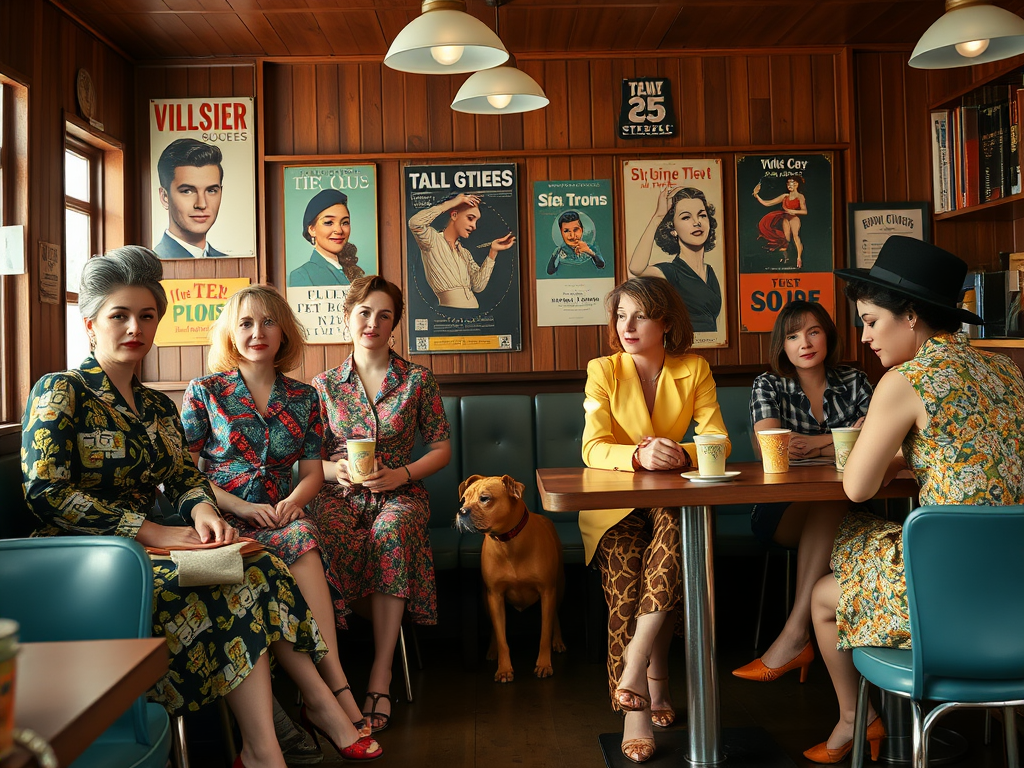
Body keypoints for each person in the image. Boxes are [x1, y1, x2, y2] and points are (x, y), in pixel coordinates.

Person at [21, 246, 381, 768]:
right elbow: (45, 493)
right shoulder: (62, 391)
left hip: (148, 552)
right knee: (237, 585)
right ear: (90, 324)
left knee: (249, 566)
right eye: (119, 316)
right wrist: (150, 531)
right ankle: (302, 722)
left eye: (146, 316)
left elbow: (186, 478)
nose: (134, 328)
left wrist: (203, 513)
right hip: (79, 560)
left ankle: (278, 736)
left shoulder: (153, 406)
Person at [805, 236, 1024, 764]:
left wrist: (884, 449)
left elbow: (857, 486)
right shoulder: (1007, 372)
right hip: (1014, 596)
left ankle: (856, 720)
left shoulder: (905, 380)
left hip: (947, 598)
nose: (865, 337)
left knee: (822, 592)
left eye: (872, 321)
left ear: (910, 317)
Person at [181, 284, 372, 746]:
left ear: (284, 331)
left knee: (304, 535)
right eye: (245, 322)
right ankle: (333, 700)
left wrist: (293, 503)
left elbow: (310, 473)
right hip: (221, 519)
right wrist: (240, 505)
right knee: (276, 560)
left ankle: (337, 685)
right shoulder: (205, 391)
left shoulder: (305, 398)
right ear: (230, 331)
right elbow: (183, 472)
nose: (257, 332)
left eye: (268, 322)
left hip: (279, 515)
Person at [580, 276, 730, 764]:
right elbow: (592, 448)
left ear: (666, 320)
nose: (628, 325)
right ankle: (639, 709)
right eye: (621, 315)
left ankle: (637, 663)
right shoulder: (602, 369)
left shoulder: (695, 368)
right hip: (613, 505)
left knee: (672, 529)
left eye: (640, 315)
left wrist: (680, 454)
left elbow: (718, 441)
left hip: (673, 500)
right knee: (627, 574)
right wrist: (642, 456)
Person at [307, 275, 452, 732]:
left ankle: (380, 672)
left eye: (384, 315)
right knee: (319, 534)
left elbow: (441, 449)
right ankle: (329, 681)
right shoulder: (323, 385)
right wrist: (337, 471)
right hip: (339, 494)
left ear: (395, 324)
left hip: (401, 493)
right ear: (348, 316)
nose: (373, 322)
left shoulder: (417, 381)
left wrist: (402, 474)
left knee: (391, 532)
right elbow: (308, 461)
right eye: (364, 312)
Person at [731, 301, 872, 685]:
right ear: (783, 346)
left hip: (851, 508)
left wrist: (812, 444)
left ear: (827, 335)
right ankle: (796, 634)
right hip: (780, 511)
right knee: (831, 500)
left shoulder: (855, 382)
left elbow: (878, 440)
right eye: (793, 336)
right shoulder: (769, 384)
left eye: (813, 331)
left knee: (834, 501)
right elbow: (770, 448)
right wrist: (842, 440)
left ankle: (796, 635)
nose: (804, 343)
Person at [628, 186, 722, 333]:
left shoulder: (709, 271)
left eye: (702, 215)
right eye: (686, 217)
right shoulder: (669, 272)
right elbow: (636, 268)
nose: (697, 222)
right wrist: (658, 218)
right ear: (673, 229)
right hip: (683, 349)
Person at [407, 192, 516, 309]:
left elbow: (478, 286)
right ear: (454, 215)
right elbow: (415, 223)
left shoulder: (465, 253)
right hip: (450, 312)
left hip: (473, 312)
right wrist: (453, 202)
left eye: (476, 221)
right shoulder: (432, 240)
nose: (474, 226)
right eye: (470, 218)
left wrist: (493, 252)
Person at [154, 138, 228, 259]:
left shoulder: (227, 261)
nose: (202, 204)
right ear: (164, 197)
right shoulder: (154, 262)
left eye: (211, 191)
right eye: (187, 191)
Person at [289, 189, 366, 287]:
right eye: (329, 222)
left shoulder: (352, 270)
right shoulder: (302, 275)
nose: (339, 230)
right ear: (312, 229)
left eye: (345, 222)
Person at [752, 175, 807, 269]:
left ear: (797, 184)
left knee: (795, 236)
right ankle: (787, 258)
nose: (790, 185)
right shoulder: (785, 196)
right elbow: (768, 203)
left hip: (794, 217)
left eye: (792, 183)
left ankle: (799, 258)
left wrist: (794, 211)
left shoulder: (800, 197)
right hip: (785, 217)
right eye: (788, 183)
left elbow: (804, 211)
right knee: (786, 239)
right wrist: (757, 195)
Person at [546, 209, 605, 274]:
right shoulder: (559, 251)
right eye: (566, 231)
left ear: (582, 230)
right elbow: (550, 271)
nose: (572, 236)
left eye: (576, 230)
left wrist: (589, 252)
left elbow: (601, 265)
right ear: (561, 232)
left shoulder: (592, 248)